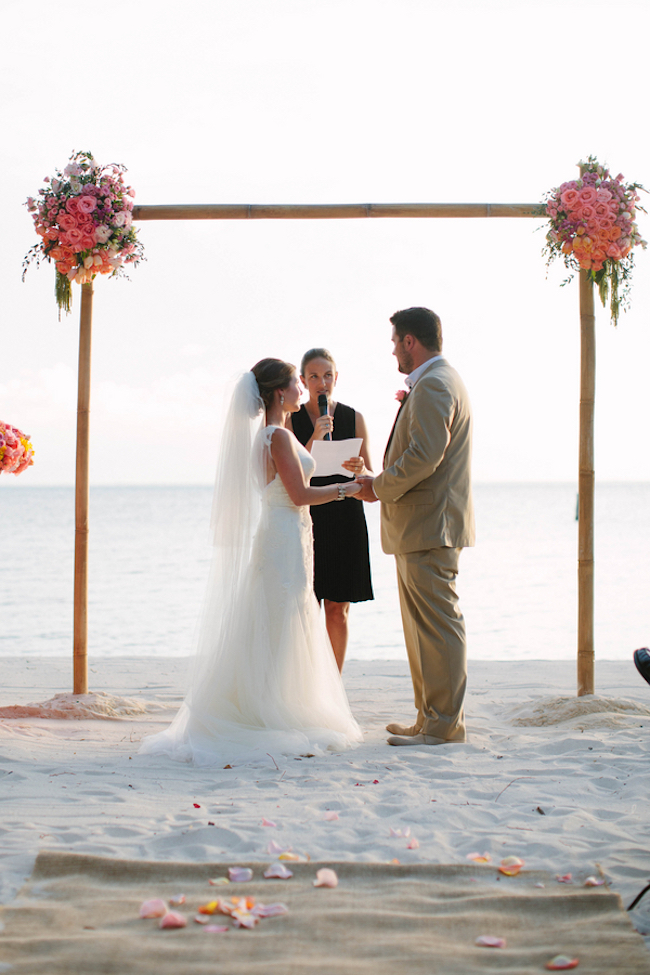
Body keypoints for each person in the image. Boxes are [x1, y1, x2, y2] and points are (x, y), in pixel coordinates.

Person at [140, 359, 363, 767]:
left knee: (280, 617)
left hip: (285, 533)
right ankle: (275, 709)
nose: (303, 387)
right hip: (284, 534)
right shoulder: (277, 435)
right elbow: (297, 494)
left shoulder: (275, 435)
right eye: (297, 381)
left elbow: (288, 477)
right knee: (283, 617)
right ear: (280, 392)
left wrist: (313, 440)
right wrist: (349, 489)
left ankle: (277, 698)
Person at [356, 307, 475, 747]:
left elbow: (425, 455)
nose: (392, 352)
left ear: (410, 341)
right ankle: (429, 718)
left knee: (438, 626)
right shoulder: (434, 382)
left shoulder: (436, 384)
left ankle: (444, 726)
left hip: (431, 525)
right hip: (421, 526)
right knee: (420, 628)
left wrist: (378, 487)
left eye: (394, 343)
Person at [290, 348, 374, 671]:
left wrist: (361, 467)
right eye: (314, 376)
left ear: (336, 378)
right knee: (305, 607)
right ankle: (308, 682)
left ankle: (334, 684)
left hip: (345, 518)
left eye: (327, 376)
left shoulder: (355, 418)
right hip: (309, 518)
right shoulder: (291, 419)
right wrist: (315, 436)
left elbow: (368, 477)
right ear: (302, 381)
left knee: (338, 609)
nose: (321, 383)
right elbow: (290, 472)